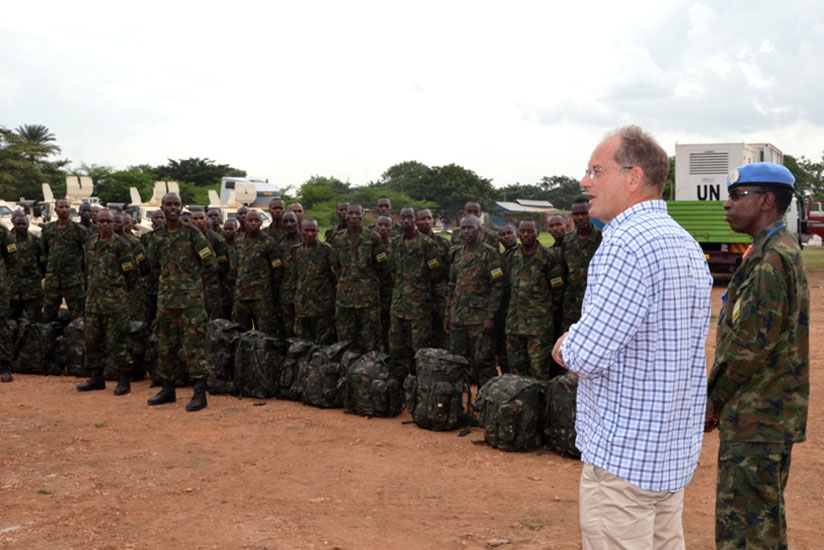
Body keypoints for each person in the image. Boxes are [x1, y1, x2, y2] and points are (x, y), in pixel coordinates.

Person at [552, 125, 712, 549]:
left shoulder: (625, 243)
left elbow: (586, 354)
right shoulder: (684, 242)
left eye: (595, 170)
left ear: (633, 178)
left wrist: (565, 342)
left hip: (624, 457)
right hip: (667, 456)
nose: (584, 182)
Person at [705, 162, 809, 550]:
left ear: (766, 200)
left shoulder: (769, 260)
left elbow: (749, 347)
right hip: (766, 413)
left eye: (735, 196)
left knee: (746, 531)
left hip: (757, 416)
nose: (726, 206)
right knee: (762, 521)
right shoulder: (773, 250)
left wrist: (712, 401)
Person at [146, 193, 219, 412]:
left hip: (190, 302)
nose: (172, 208)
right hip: (167, 301)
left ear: (181, 208)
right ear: (162, 207)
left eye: (176, 204)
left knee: (194, 346)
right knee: (166, 346)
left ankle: (199, 393)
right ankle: (168, 389)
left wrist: (193, 283)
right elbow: (153, 265)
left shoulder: (192, 234)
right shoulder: (156, 237)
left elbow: (210, 263)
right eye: (168, 204)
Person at [76, 209, 139, 395]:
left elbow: (131, 274)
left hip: (115, 302)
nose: (104, 224)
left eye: (108, 221)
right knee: (93, 340)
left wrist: (117, 290)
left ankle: (124, 380)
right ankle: (96, 378)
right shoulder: (91, 244)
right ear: (96, 222)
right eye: (101, 221)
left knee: (118, 341)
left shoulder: (121, 245)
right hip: (94, 302)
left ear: (113, 223)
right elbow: (86, 269)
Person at [446, 214, 503, 389]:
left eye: (471, 228)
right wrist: (448, 314)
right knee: (455, 360)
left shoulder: (490, 254)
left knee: (483, 361)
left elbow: (497, 287)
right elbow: (451, 285)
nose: (467, 232)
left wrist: (491, 316)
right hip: (458, 318)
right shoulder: (456, 254)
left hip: (480, 319)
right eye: (463, 228)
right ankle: (455, 400)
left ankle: (486, 399)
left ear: (480, 231)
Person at [387, 207, 444, 380]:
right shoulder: (395, 243)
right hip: (398, 305)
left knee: (419, 348)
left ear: (415, 220)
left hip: (419, 307)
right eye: (402, 217)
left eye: (409, 217)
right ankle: (399, 385)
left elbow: (436, 273)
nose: (406, 221)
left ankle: (420, 385)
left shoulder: (428, 244)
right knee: (397, 347)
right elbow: (392, 270)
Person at [505, 219, 559, 381]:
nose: (526, 235)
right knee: (517, 370)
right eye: (522, 231)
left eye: (530, 231)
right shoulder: (512, 256)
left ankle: (541, 405)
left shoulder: (549, 257)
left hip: (539, 327)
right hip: (514, 325)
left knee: (539, 370)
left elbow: (557, 292)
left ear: (538, 233)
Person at [331, 204, 388, 353]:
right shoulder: (338, 239)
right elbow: (335, 266)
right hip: (345, 297)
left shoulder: (373, 238)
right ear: (346, 216)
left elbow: (382, 266)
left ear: (363, 215)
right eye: (351, 214)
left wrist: (368, 282)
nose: (354, 217)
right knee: (345, 337)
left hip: (367, 297)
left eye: (358, 213)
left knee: (370, 336)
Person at [232, 210, 282, 336]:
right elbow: (235, 267)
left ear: (261, 223)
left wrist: (272, 290)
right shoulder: (239, 241)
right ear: (245, 222)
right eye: (250, 220)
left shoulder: (268, 242)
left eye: (256, 221)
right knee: (241, 333)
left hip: (262, 297)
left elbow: (277, 269)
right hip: (242, 296)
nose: (253, 223)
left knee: (265, 333)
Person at [41, 198, 89, 322]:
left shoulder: (79, 230)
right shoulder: (48, 229)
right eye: (61, 207)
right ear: (55, 209)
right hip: (53, 281)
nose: (64, 210)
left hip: (73, 281)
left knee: (78, 317)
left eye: (67, 207)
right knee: (48, 316)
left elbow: (88, 253)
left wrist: (83, 274)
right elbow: (45, 252)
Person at [559, 197, 602, 332]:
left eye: (584, 213)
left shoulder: (603, 239)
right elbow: (563, 272)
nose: (580, 218)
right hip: (571, 307)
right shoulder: (567, 241)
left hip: (595, 305)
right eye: (576, 215)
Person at [292, 218, 337, 344]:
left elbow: (334, 276)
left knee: (323, 342)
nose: (310, 234)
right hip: (302, 305)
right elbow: (294, 276)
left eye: (313, 231)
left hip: (322, 305)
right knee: (302, 341)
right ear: (301, 230)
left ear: (318, 231)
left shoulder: (326, 250)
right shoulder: (296, 251)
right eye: (307, 230)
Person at [415, 208, 451, 348]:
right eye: (422, 219)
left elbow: (450, 270)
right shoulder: (410, 242)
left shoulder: (443, 243)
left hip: (440, 296)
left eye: (429, 218)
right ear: (416, 222)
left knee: (444, 333)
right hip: (418, 296)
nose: (427, 222)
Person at [4, 212, 44, 322]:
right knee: (10, 320)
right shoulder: (8, 241)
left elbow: (43, 261)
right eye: (18, 224)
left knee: (35, 320)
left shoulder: (36, 241)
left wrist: (37, 276)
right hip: (13, 289)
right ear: (14, 225)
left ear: (28, 224)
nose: (21, 226)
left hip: (32, 289)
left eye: (24, 224)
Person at [192, 210, 231, 320]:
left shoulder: (216, 240)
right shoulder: (186, 238)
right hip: (192, 286)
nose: (198, 221)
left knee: (212, 317)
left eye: (201, 218)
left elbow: (224, 266)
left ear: (206, 220)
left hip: (211, 285)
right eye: (195, 219)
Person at [113, 212, 149, 322]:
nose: (114, 224)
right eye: (112, 222)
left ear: (124, 224)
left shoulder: (134, 243)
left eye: (118, 222)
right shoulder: (98, 241)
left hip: (130, 289)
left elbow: (144, 266)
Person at [495, 222, 518, 373]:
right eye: (502, 235)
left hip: (521, 314)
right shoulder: (499, 259)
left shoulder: (524, 254)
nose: (506, 237)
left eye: (509, 233)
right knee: (503, 352)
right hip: (503, 312)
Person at [277, 212, 302, 338]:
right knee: (287, 328)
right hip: (286, 294)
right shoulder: (281, 246)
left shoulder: (307, 241)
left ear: (298, 222)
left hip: (305, 294)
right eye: (285, 222)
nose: (289, 224)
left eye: (292, 221)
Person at [221, 219, 239, 319]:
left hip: (238, 290)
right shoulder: (219, 246)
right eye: (226, 229)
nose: (228, 231)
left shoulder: (241, 246)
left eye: (231, 229)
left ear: (236, 230)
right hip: (224, 290)